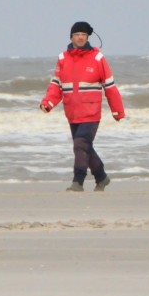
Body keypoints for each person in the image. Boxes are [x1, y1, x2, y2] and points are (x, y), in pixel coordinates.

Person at [41, 21, 125, 191]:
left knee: (80, 145)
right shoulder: (63, 58)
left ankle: (77, 181)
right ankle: (101, 177)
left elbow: (110, 87)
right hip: (72, 111)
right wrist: (48, 102)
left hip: (91, 112)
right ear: (71, 37)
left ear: (88, 37)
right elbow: (56, 84)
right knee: (85, 147)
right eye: (77, 34)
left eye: (83, 35)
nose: (80, 37)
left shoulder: (97, 58)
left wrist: (117, 111)